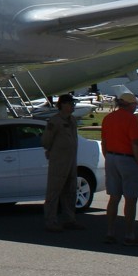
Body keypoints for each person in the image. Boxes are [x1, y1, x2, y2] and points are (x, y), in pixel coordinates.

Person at [101, 91, 138, 245]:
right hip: (127, 159)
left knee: (114, 197)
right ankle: (129, 234)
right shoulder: (131, 119)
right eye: (134, 104)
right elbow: (135, 143)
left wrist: (108, 157)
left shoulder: (108, 118)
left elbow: (104, 142)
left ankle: (110, 232)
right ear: (129, 104)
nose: (135, 107)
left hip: (111, 158)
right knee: (130, 198)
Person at [41, 94, 86, 232]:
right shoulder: (55, 121)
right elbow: (46, 140)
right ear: (63, 105)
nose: (73, 106)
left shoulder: (72, 119)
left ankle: (69, 219)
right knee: (54, 191)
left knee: (71, 191)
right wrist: (49, 150)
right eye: (71, 103)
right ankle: (51, 221)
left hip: (71, 160)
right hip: (59, 160)